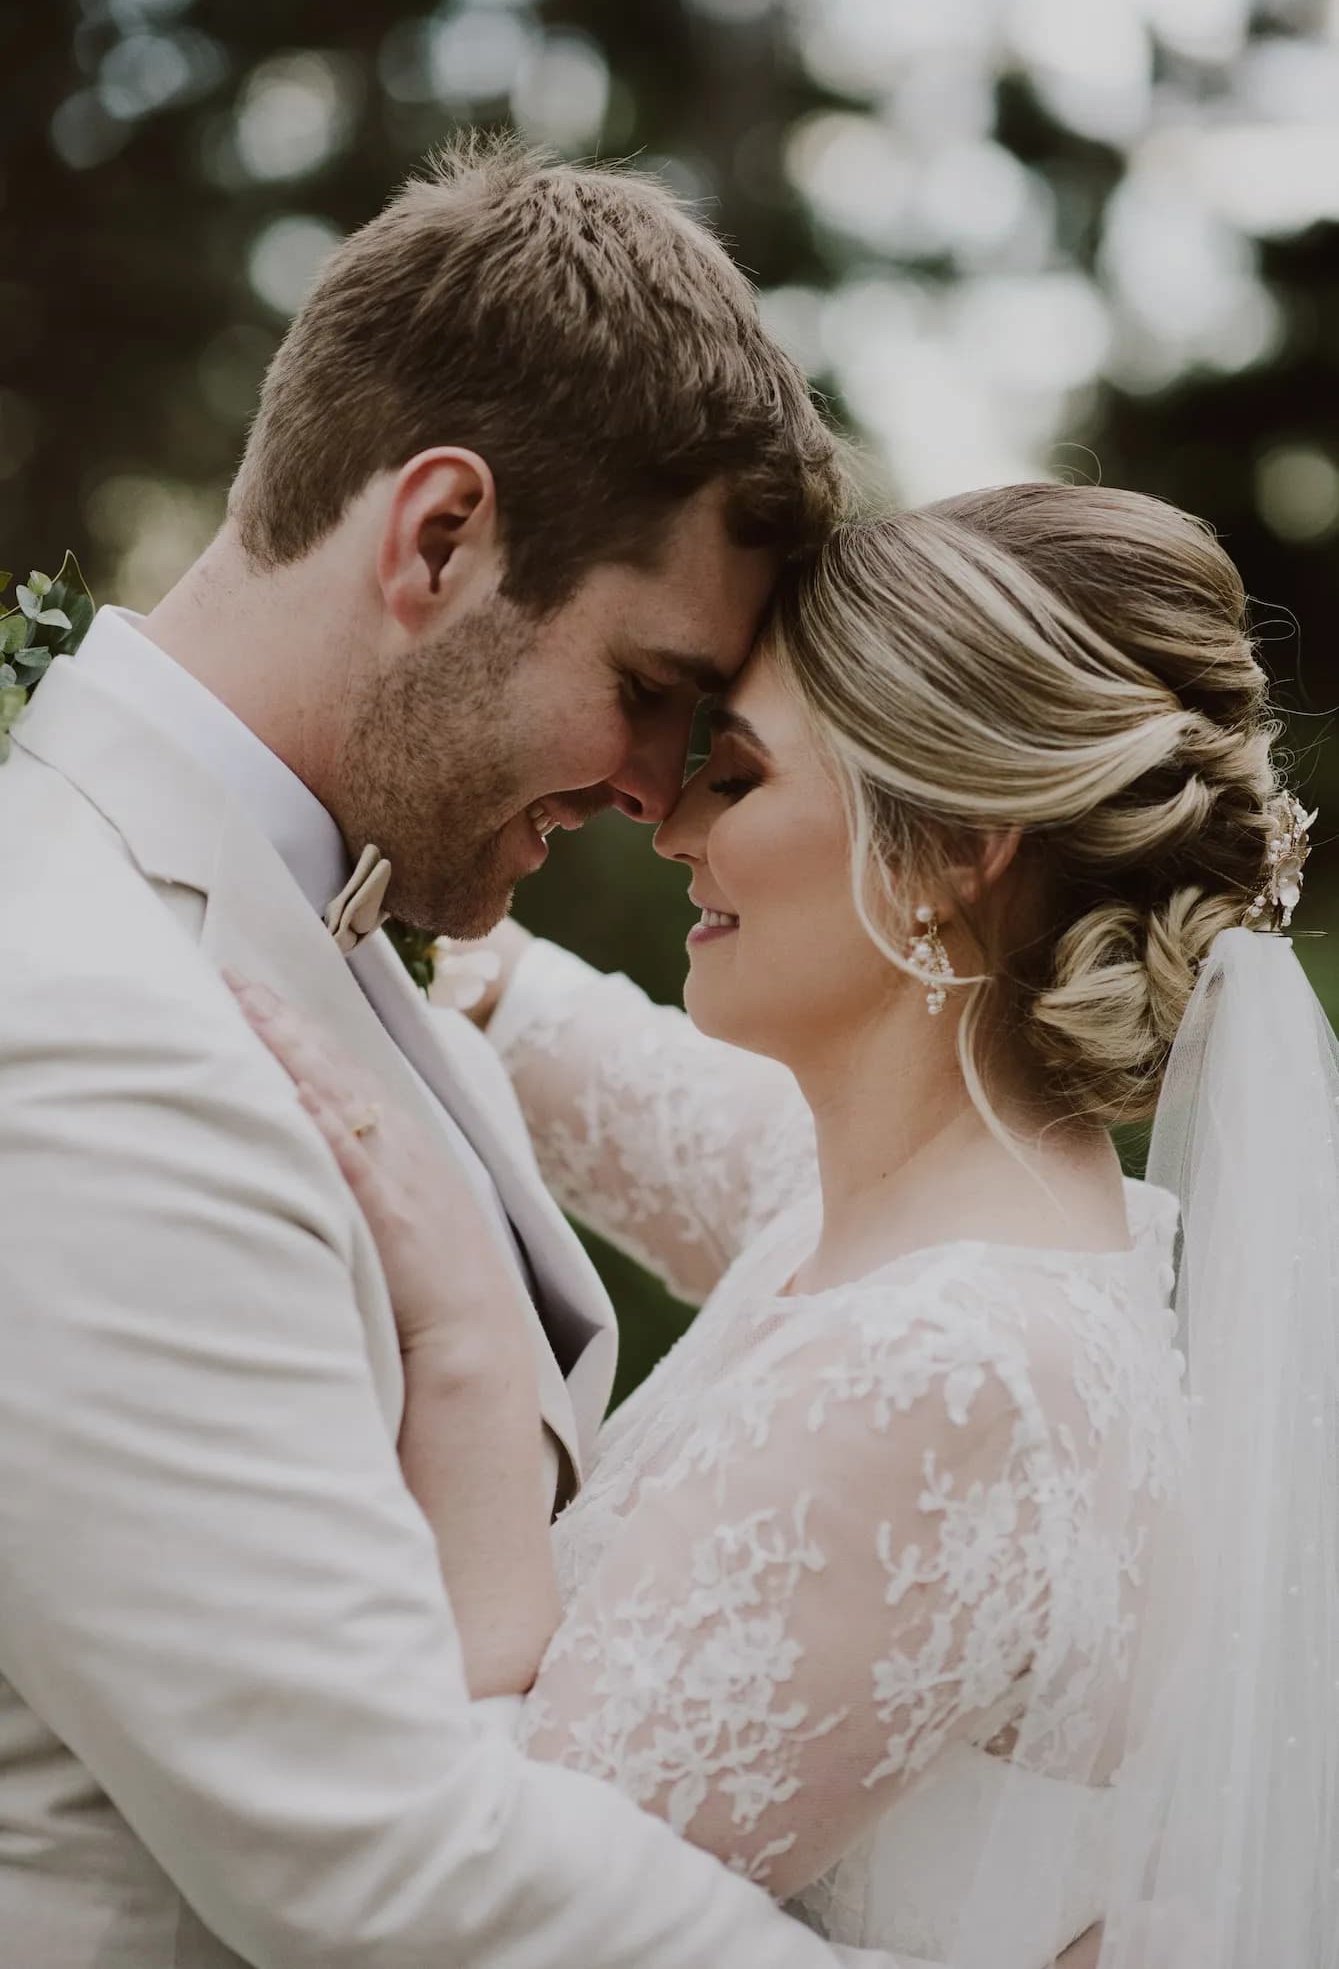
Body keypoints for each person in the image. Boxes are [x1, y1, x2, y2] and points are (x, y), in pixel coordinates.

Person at [0, 134, 953, 1969]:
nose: (657, 793)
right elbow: (383, 1862)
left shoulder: (317, 933)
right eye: (655, 692)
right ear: (439, 536)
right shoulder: (85, 1033)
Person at [241, 481, 1339, 1966]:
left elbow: (460, 1903)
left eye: (738, 775)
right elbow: (555, 1027)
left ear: (955, 846)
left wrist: (465, 1347)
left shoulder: (959, 1377)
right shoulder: (908, 1202)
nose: (673, 821)